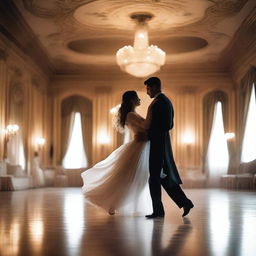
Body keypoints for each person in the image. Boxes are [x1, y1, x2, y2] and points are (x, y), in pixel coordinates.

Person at [81, 91, 152, 215]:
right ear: (131, 100)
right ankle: (112, 202)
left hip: (142, 146)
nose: (140, 99)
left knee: (136, 178)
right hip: (138, 147)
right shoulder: (130, 115)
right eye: (137, 98)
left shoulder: (133, 114)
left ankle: (116, 203)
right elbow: (145, 126)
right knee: (128, 178)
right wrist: (152, 114)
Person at [144, 77, 194, 218]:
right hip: (159, 143)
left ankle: (159, 211)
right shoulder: (162, 101)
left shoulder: (162, 102)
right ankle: (185, 202)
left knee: (154, 178)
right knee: (163, 178)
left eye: (147, 89)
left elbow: (168, 124)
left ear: (154, 87)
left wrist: (150, 132)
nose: (147, 92)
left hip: (159, 144)